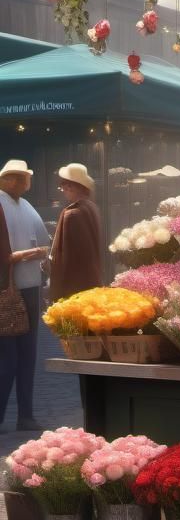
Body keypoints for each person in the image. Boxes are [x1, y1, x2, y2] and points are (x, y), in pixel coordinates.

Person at [0, 160, 50, 432]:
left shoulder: (24, 205)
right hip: (8, 290)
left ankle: (26, 414)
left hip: (28, 286)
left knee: (25, 356)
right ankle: (17, 415)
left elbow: (43, 240)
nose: (24, 183)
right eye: (21, 178)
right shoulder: (6, 204)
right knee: (9, 358)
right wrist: (30, 254)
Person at [48, 163, 102, 303]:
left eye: (63, 186)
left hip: (74, 289)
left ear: (70, 187)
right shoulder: (91, 207)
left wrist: (59, 291)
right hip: (91, 282)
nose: (63, 190)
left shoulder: (72, 213)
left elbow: (67, 257)